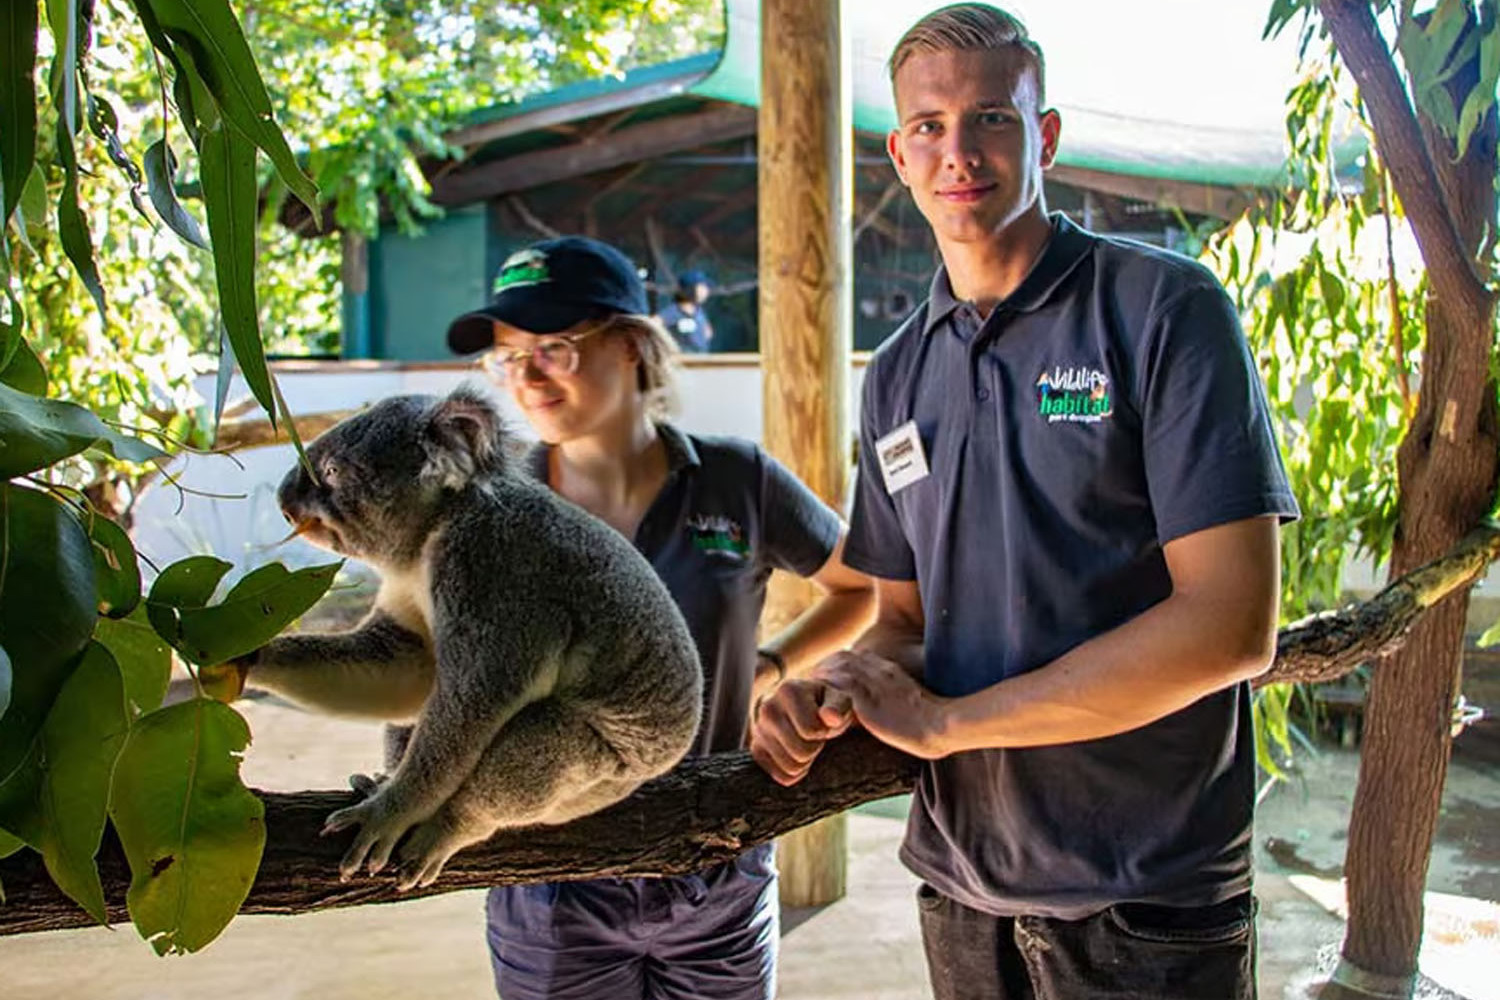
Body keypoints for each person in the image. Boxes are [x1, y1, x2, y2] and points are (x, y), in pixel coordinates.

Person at [748, 6, 1299, 1000]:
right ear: (900, 154)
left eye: (991, 116)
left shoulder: (1161, 310)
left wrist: (948, 723)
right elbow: (908, 622)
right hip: (966, 889)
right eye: (929, 125)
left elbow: (1230, 625)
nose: (958, 150)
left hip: (1147, 898)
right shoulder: (901, 374)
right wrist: (838, 683)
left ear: (1042, 135)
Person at [444, 235, 875, 1000]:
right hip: (553, 884)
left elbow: (859, 587)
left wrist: (774, 667)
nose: (528, 378)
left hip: (718, 868)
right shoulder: (492, 507)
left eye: (555, 348)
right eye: (508, 359)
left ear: (634, 346)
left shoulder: (736, 483)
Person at [654, 269, 715, 353]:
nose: (706, 291)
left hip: (701, 359)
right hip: (682, 361)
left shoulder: (699, 310)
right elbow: (653, 324)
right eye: (702, 287)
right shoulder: (674, 311)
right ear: (690, 289)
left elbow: (708, 332)